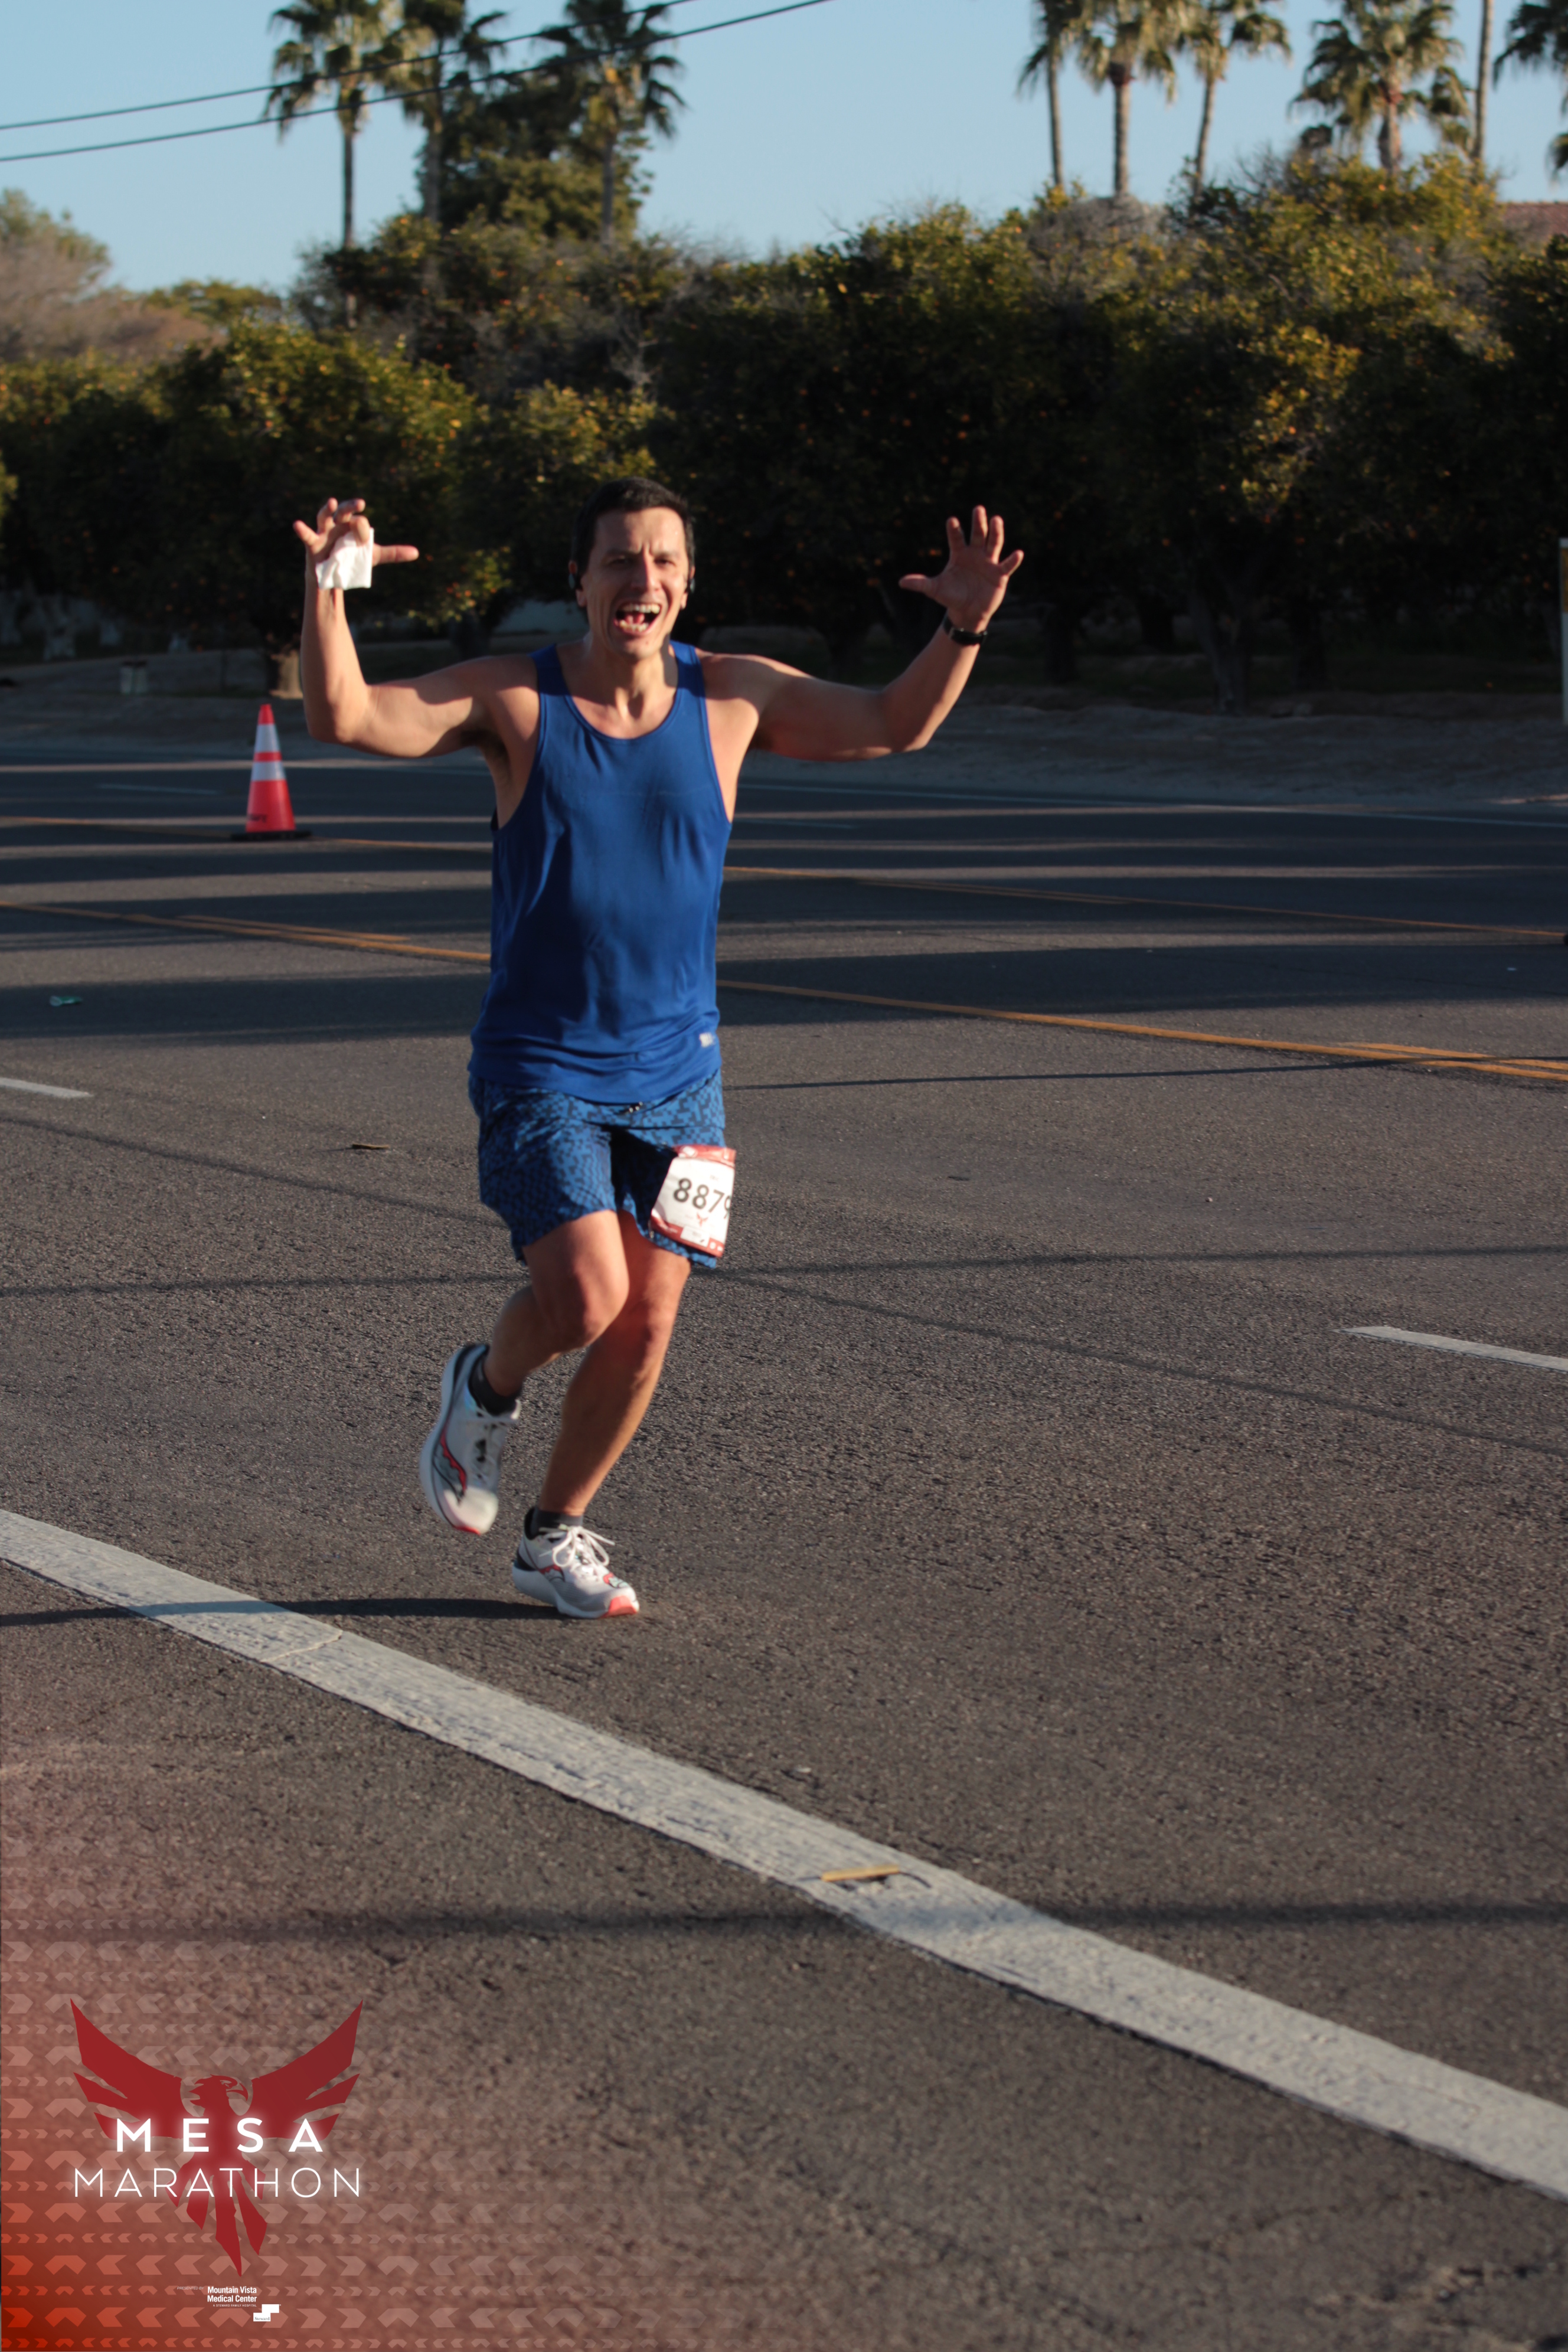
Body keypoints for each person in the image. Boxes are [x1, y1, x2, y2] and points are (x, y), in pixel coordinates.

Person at [296, 478, 1022, 1619]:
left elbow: (894, 722)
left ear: (688, 581)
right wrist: (329, 590)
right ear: (579, 582)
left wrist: (964, 627)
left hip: (681, 1076)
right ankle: (484, 1388)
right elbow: (345, 717)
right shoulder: (517, 700)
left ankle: (554, 1537)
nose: (644, 580)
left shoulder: (732, 696)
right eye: (620, 561)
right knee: (586, 1299)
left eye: (665, 561)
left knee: (648, 1320)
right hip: (542, 1066)